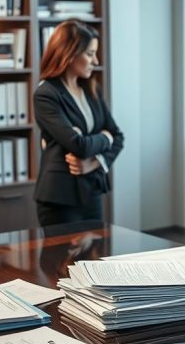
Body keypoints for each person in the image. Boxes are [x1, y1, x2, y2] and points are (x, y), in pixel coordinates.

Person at [33, 20, 123, 226]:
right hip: (60, 197)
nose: (96, 61)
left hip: (92, 190)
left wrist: (94, 162)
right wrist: (104, 137)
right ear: (69, 54)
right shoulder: (46, 94)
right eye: (90, 54)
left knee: (95, 257)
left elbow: (118, 136)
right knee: (61, 259)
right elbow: (78, 145)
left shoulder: (92, 89)